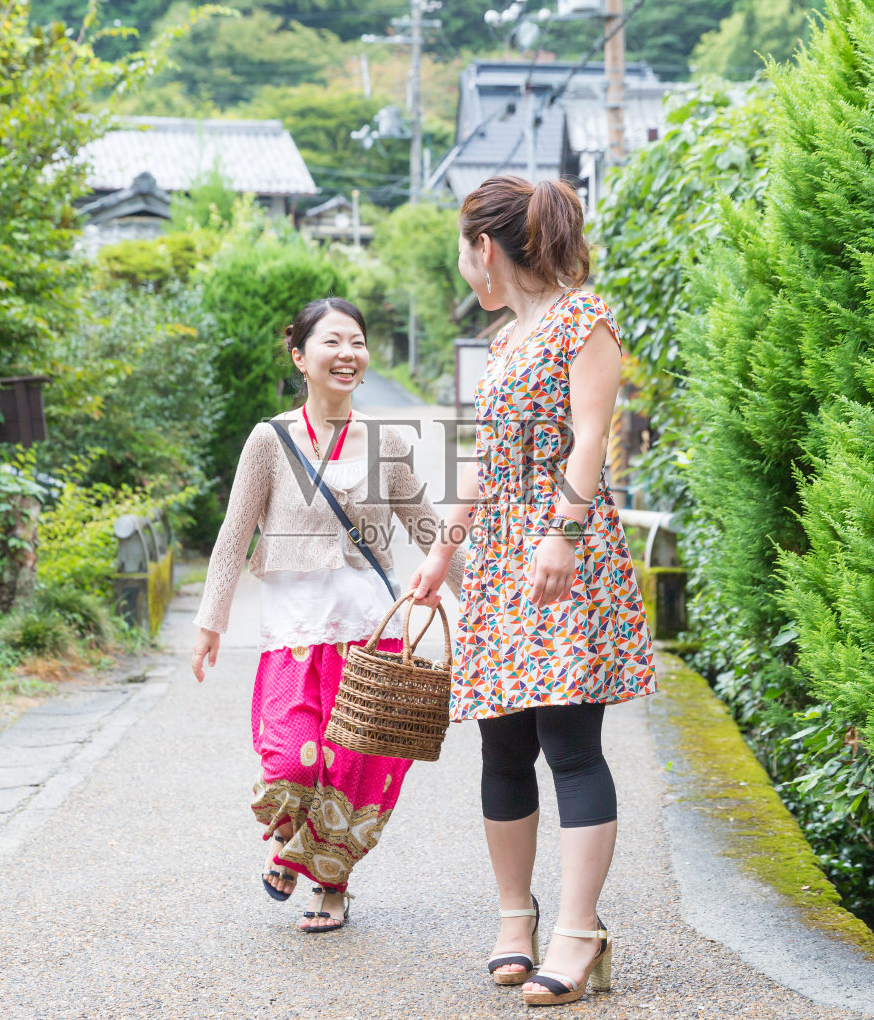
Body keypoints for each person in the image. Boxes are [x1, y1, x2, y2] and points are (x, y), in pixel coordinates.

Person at [411, 176, 656, 1005]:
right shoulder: (506, 340)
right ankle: (515, 917)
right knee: (504, 745)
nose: (462, 265)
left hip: (562, 554)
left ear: (484, 247)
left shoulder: (584, 319)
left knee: (570, 742)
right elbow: (483, 460)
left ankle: (579, 932)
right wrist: (442, 551)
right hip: (500, 564)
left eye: (462, 249)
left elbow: (592, 435)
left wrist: (564, 531)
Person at [191, 297, 464, 933]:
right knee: (292, 762)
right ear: (299, 356)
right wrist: (211, 620)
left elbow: (428, 529)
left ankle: (331, 885)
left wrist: (482, 599)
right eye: (332, 342)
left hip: (369, 637)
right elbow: (234, 535)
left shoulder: (387, 441)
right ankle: (292, 841)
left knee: (351, 772)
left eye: (357, 342)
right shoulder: (270, 439)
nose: (347, 354)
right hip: (293, 633)